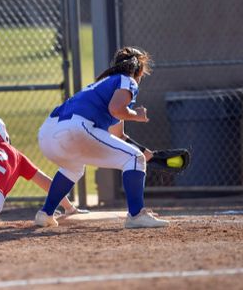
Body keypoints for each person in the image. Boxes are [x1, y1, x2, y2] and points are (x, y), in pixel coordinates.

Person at [35, 46, 170, 229]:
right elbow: (116, 109)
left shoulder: (104, 84)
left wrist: (146, 153)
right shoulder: (127, 80)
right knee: (133, 159)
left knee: (73, 168)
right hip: (76, 128)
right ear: (137, 69)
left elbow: (118, 136)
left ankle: (46, 214)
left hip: (47, 136)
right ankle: (136, 215)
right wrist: (137, 115)